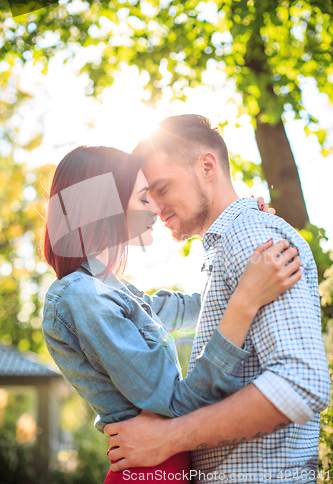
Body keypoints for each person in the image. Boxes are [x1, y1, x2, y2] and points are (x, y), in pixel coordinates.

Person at [41, 145, 301, 484]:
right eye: (144, 197)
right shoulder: (83, 297)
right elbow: (172, 402)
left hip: (166, 464)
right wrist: (245, 302)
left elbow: (201, 305)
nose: (156, 207)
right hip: (150, 470)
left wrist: (251, 234)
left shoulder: (119, 293)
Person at [105, 115, 331, 483]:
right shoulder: (230, 245)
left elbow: (302, 383)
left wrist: (167, 438)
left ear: (207, 165)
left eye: (162, 188)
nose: (155, 207)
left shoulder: (250, 237)